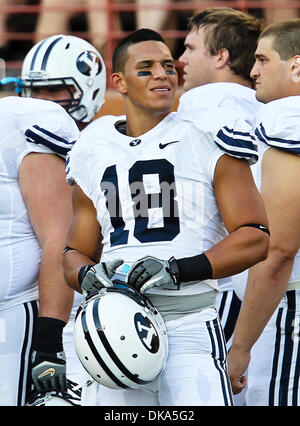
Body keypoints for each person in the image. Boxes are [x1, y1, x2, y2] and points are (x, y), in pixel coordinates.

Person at [62, 28, 269, 406]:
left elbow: (255, 236)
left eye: (168, 65)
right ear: (118, 82)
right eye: (146, 68)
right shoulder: (92, 146)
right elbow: (73, 253)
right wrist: (88, 275)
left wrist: (177, 269)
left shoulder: (207, 134)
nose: (162, 74)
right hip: (112, 327)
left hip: (188, 325)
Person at [0, 34, 106, 406]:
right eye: (36, 90)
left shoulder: (27, 123)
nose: (46, 100)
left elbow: (59, 239)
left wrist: (48, 340)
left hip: (30, 313)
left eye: (56, 89)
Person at [177, 7, 263, 404]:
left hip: (224, 288)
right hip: (269, 290)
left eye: (191, 48)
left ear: (221, 57)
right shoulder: (266, 108)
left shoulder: (200, 106)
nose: (181, 60)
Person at [228, 19, 300, 406]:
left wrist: (240, 346)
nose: (252, 71)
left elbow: (280, 249)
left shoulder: (289, 116)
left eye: (262, 59)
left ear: (296, 66)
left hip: (289, 307)